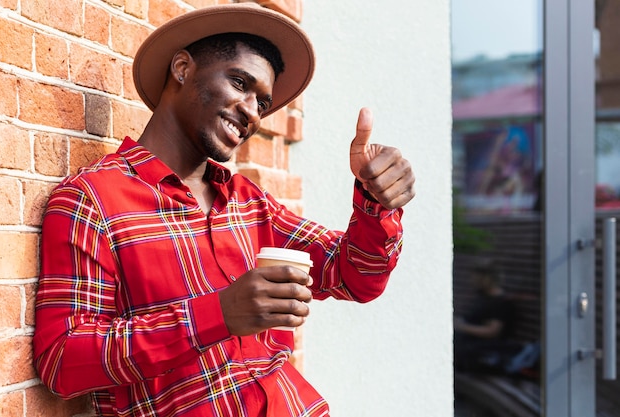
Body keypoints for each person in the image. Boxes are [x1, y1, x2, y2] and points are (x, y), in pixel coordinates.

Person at [33, 3, 415, 417]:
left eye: (263, 102)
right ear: (182, 68)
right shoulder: (92, 200)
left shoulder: (248, 201)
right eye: (239, 82)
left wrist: (375, 201)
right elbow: (62, 362)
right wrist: (217, 314)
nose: (253, 111)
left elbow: (353, 276)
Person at [453, 259, 517, 373]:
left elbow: (492, 331)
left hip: (483, 349)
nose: (472, 280)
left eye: (475, 276)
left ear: (486, 278)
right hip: (468, 344)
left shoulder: (500, 302)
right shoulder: (482, 297)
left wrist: (461, 327)